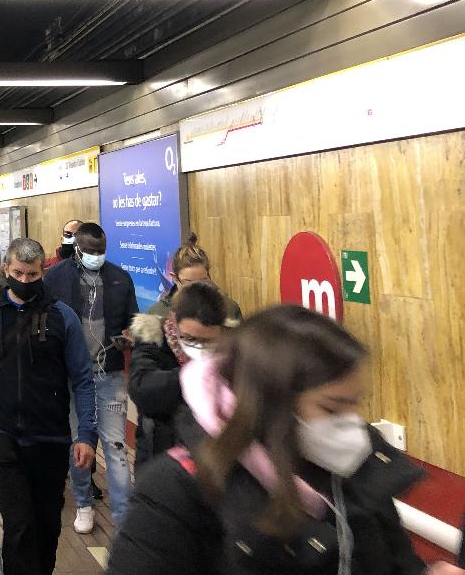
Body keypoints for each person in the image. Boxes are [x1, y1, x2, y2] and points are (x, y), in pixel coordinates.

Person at [107, 306, 465, 575]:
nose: (352, 426)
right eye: (332, 407)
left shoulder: (355, 474)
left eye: (355, 405)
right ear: (273, 407)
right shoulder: (175, 492)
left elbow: (393, 562)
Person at [0, 238, 98, 574]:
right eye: (18, 273)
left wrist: (86, 433)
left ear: (43, 271)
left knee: (46, 526)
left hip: (51, 437)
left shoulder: (63, 317)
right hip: (3, 433)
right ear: (6, 269)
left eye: (32, 275)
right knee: (19, 524)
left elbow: (83, 380)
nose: (25, 281)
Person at [43, 220, 137, 531]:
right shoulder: (55, 277)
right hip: (71, 378)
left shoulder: (120, 279)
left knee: (115, 446)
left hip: (108, 374)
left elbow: (132, 322)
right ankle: (83, 504)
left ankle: (124, 517)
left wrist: (129, 336)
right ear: (77, 249)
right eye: (91, 251)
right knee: (78, 443)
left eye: (102, 251)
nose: (97, 256)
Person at [128, 281, 230, 464]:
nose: (199, 346)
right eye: (190, 338)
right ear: (175, 322)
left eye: (208, 341)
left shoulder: (234, 348)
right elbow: (140, 388)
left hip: (214, 460)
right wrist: (193, 375)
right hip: (162, 454)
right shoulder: (153, 340)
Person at [148, 233, 243, 322]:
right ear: (175, 278)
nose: (197, 290)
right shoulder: (158, 314)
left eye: (203, 282)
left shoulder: (229, 309)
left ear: (208, 276)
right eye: (189, 283)